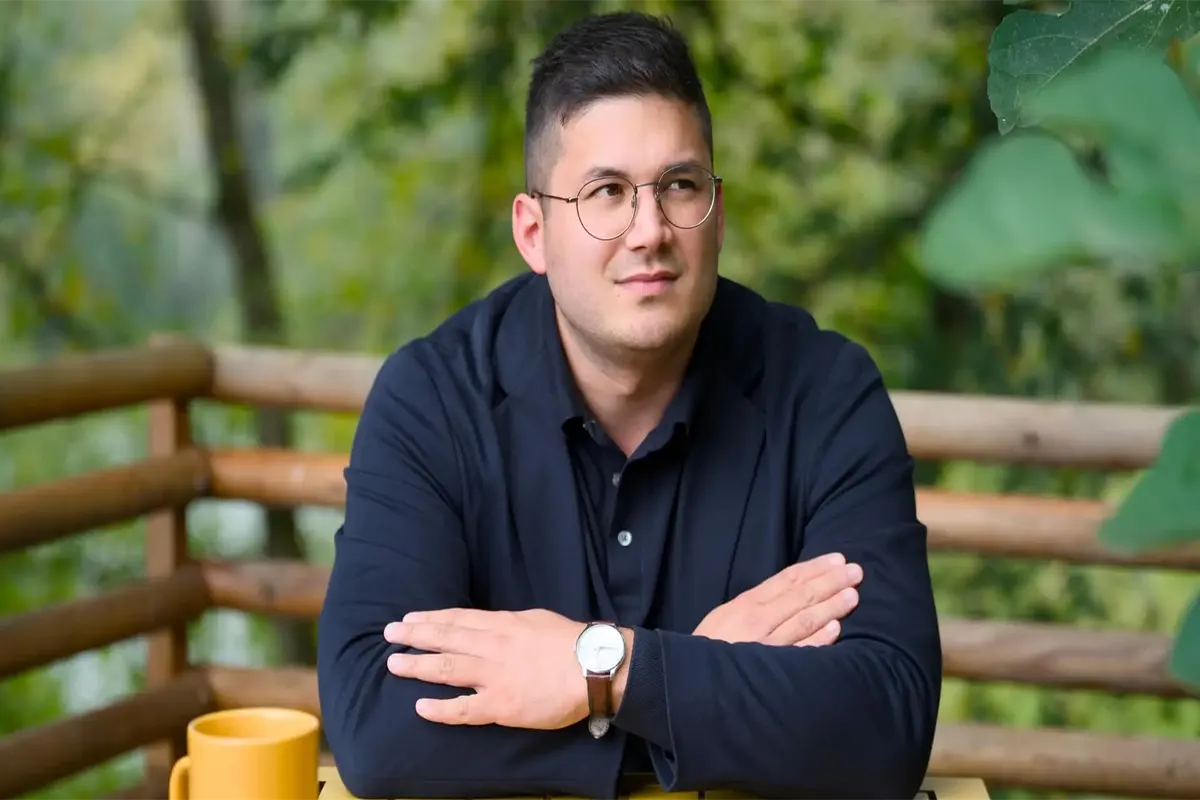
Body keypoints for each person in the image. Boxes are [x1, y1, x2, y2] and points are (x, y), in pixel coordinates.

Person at [317, 11, 941, 800]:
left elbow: (885, 726)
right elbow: (377, 732)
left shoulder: (827, 394)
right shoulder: (430, 401)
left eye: (679, 186)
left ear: (717, 212)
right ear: (534, 231)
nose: (649, 231)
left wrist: (606, 669)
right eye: (605, 193)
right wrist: (701, 680)